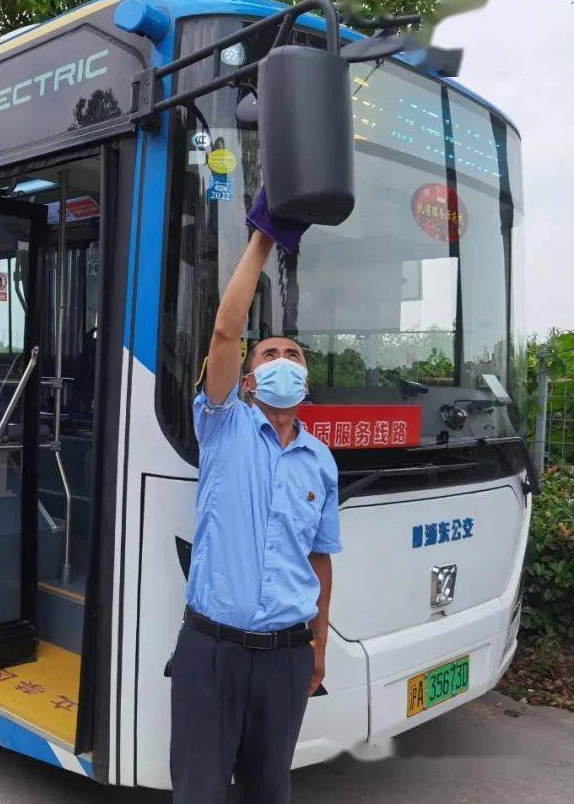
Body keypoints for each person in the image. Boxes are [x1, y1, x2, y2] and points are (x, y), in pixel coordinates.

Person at [169, 189, 342, 804]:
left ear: (305, 379)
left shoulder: (320, 461)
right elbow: (225, 328)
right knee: (199, 793)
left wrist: (318, 645)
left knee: (270, 793)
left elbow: (319, 560)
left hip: (287, 659)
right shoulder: (224, 425)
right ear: (249, 378)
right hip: (211, 653)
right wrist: (264, 237)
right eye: (271, 353)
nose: (284, 360)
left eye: (294, 355)